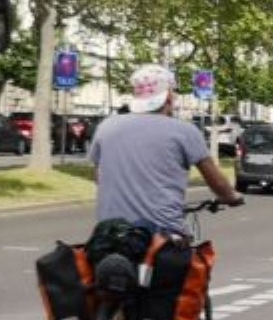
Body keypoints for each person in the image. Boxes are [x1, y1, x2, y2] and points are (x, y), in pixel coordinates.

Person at [89, 65, 243, 235]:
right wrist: (231, 196)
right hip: (162, 232)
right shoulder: (184, 131)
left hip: (110, 233)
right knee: (186, 247)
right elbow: (216, 181)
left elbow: (100, 175)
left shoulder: (107, 126)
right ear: (169, 97)